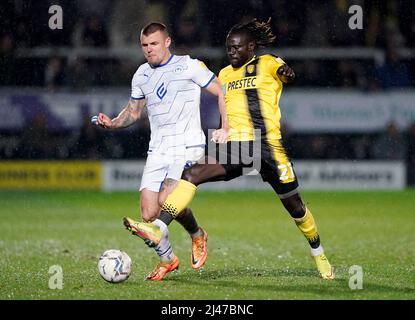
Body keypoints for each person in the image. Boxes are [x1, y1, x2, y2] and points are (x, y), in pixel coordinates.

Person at [133, 18, 335, 280]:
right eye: (229, 48)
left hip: (268, 147)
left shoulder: (268, 62)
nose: (232, 52)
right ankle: (160, 226)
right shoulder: (225, 74)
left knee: (295, 207)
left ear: (251, 47)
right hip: (238, 147)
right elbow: (225, 106)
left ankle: (318, 253)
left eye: (238, 47)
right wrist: (222, 129)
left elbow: (287, 73)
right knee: (192, 174)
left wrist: (287, 73)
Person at [93, 22, 228, 281]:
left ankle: (196, 235)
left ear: (167, 42)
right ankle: (170, 259)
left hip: (188, 145)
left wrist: (226, 126)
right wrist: (112, 123)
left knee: (169, 198)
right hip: (158, 148)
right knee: (149, 213)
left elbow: (221, 90)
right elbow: (133, 112)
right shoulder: (141, 74)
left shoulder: (189, 65)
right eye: (144, 45)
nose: (148, 49)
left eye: (153, 44)